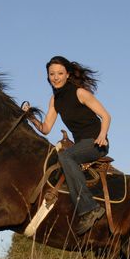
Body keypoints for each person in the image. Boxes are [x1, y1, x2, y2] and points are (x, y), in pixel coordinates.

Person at [24, 56, 111, 235]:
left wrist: (103, 135)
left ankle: (91, 208)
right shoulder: (55, 100)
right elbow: (46, 128)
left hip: (96, 143)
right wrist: (31, 117)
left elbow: (106, 116)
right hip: (80, 145)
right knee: (59, 157)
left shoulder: (80, 93)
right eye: (52, 74)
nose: (55, 77)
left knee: (66, 156)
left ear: (67, 74)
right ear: (48, 76)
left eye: (60, 73)